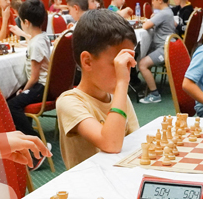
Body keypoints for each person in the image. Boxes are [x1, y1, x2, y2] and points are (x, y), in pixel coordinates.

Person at [56, 10, 140, 169]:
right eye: (117, 64)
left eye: (127, 64)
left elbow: (136, 141)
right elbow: (111, 144)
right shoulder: (68, 102)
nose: (125, 72)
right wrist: (122, 84)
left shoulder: (119, 96)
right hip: (90, 181)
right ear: (87, 61)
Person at [5, 0, 51, 160]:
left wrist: (23, 91)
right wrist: (23, 34)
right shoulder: (42, 37)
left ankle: (37, 146)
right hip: (44, 85)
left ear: (25, 22)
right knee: (14, 100)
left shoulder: (35, 44)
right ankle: (28, 142)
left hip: (39, 86)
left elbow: (34, 77)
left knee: (12, 105)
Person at [136, 0, 176, 104]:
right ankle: (147, 88)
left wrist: (154, 18)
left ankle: (154, 94)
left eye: (153, 0)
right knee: (143, 57)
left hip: (165, 49)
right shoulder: (168, 11)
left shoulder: (163, 13)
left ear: (159, 0)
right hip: (166, 46)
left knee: (142, 64)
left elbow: (145, 26)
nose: (152, 3)